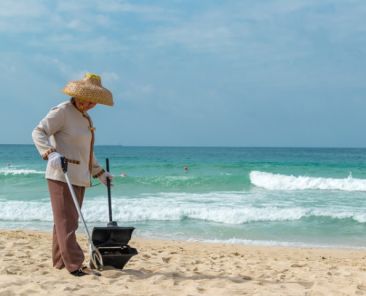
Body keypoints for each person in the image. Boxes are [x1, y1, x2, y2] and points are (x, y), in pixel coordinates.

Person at [32, 73, 114, 277]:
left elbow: (86, 151)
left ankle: (60, 262)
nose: (90, 104)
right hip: (61, 174)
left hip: (79, 176)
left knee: (65, 220)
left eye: (94, 102)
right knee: (67, 221)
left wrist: (99, 172)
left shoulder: (86, 117)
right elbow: (38, 131)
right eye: (87, 99)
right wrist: (50, 152)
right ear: (77, 95)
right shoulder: (63, 111)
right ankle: (75, 265)